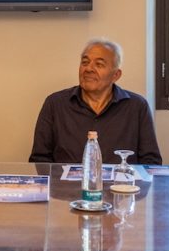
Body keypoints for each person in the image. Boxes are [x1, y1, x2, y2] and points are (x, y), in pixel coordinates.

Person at [30, 38, 161, 164]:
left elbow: (151, 162)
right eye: (85, 62)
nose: (88, 69)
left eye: (99, 64)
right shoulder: (55, 104)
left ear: (116, 75)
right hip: (65, 180)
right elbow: (39, 160)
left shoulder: (137, 107)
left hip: (121, 180)